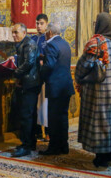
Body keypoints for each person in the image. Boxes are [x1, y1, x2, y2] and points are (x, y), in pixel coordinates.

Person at [75, 12, 111, 167]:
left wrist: (79, 78)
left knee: (99, 123)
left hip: (98, 91)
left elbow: (84, 65)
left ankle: (100, 161)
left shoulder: (96, 42)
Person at [39, 22, 74, 155]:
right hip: (66, 86)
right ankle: (64, 146)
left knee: (53, 119)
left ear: (49, 32)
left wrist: (41, 70)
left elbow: (50, 65)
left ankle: (53, 147)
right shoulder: (65, 43)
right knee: (63, 118)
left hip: (55, 88)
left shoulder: (51, 44)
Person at [10, 23, 41, 157]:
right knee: (29, 115)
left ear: (24, 32)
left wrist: (16, 73)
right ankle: (30, 142)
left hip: (30, 84)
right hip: (28, 83)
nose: (13, 35)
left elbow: (29, 63)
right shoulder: (23, 43)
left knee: (26, 116)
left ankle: (26, 145)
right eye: (13, 32)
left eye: (16, 32)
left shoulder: (29, 44)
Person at [31, 14, 49, 142]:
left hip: (45, 77)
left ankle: (48, 132)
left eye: (41, 23)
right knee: (35, 105)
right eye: (37, 23)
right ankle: (37, 131)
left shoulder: (48, 38)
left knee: (45, 104)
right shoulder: (32, 38)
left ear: (47, 24)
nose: (38, 26)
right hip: (33, 76)